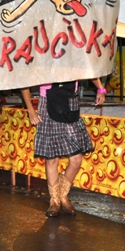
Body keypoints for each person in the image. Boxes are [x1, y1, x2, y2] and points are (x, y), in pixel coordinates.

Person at [21, 78, 105, 217]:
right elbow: (25, 80)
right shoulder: (44, 62)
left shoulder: (74, 62)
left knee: (76, 159)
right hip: (47, 104)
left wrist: (101, 89)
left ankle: (62, 194)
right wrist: (30, 110)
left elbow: (89, 70)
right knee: (52, 159)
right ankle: (55, 200)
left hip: (70, 103)